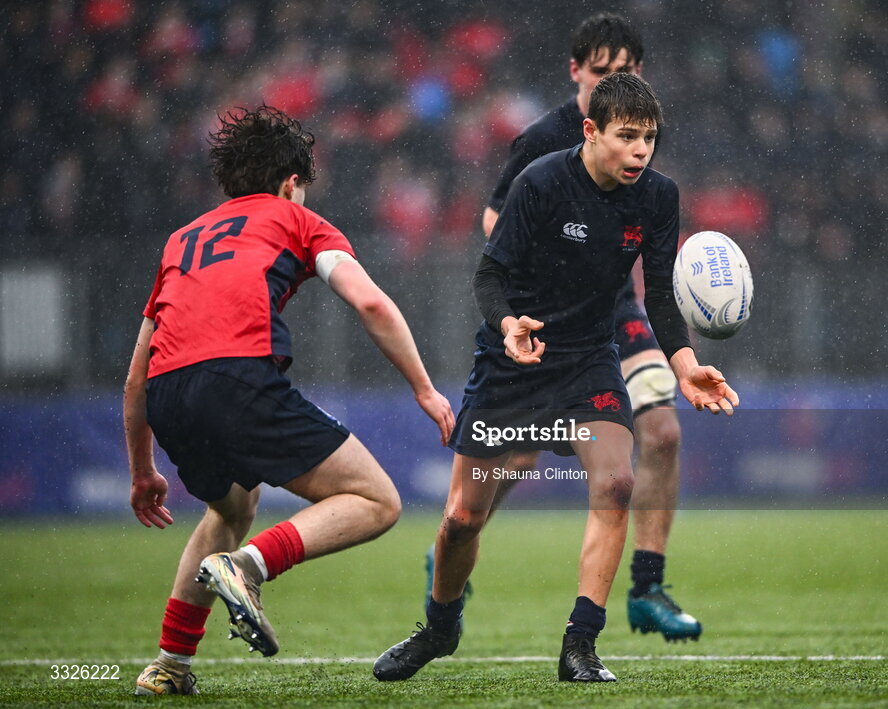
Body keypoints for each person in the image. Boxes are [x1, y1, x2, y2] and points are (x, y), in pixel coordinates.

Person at [376, 73, 738, 684]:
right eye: (627, 137)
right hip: (512, 360)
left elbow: (662, 300)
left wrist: (684, 366)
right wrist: (509, 323)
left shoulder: (657, 197)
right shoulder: (541, 181)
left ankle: (581, 645)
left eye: (650, 138)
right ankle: (439, 627)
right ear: (592, 131)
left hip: (587, 362)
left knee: (617, 482)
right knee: (463, 518)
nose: (641, 151)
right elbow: (490, 275)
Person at [124, 105, 454, 695]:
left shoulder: (183, 238)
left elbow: (136, 376)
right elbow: (372, 304)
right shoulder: (298, 220)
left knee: (231, 507)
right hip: (238, 379)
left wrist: (142, 469)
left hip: (168, 395)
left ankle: (170, 664)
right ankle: (248, 567)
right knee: (377, 500)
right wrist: (425, 388)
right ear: (290, 182)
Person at [425, 11, 701, 644]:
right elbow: (496, 230)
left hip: (611, 312)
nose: (613, 79)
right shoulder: (540, 145)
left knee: (658, 431)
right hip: (538, 310)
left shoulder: (645, 159)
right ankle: (452, 559)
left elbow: (653, 273)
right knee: (509, 464)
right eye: (600, 71)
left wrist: (684, 360)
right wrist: (544, 276)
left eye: (625, 70)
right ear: (576, 74)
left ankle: (646, 587)